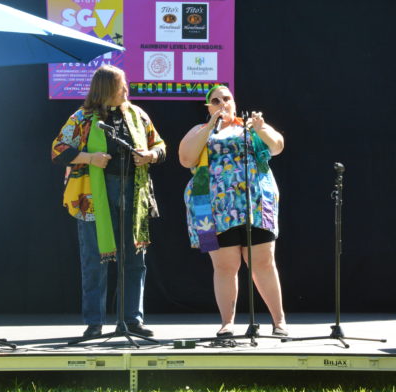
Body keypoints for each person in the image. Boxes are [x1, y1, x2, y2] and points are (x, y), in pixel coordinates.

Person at [51, 65, 166, 338]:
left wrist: (149, 155)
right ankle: (94, 322)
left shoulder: (138, 115)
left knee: (135, 258)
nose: (126, 89)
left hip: (134, 192)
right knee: (95, 260)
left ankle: (132, 320)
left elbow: (160, 146)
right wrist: (90, 158)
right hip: (93, 196)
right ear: (105, 89)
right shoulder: (82, 118)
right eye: (121, 85)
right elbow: (58, 150)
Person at [178, 85, 287, 337]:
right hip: (212, 207)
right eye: (215, 101)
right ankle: (227, 323)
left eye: (226, 98)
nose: (222, 103)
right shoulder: (200, 130)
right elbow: (186, 159)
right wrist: (209, 127)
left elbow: (277, 146)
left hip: (255, 203)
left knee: (263, 262)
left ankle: (279, 321)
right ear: (208, 107)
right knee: (225, 266)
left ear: (234, 102)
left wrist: (261, 128)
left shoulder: (250, 126)